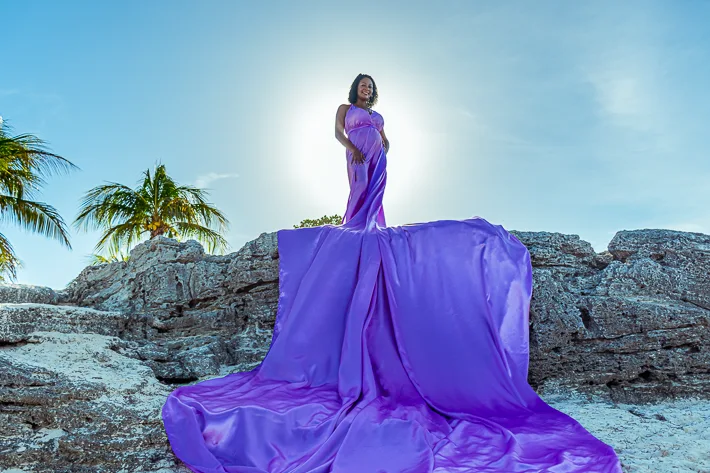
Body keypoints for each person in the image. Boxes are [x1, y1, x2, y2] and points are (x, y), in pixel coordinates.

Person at [162, 73, 623, 472]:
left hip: (378, 153)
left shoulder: (378, 117)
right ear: (353, 90)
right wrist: (356, 147)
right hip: (358, 155)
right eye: (362, 85)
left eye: (370, 87)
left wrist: (384, 143)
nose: (366, 91)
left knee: (378, 199)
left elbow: (383, 134)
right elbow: (337, 134)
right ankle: (357, 222)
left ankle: (371, 222)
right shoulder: (346, 109)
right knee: (358, 199)